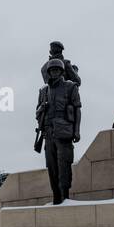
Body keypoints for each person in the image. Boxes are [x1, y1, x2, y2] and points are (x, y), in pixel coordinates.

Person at [36, 60, 81, 204]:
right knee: (52, 168)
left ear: (61, 72)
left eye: (57, 70)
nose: (54, 73)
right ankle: (56, 198)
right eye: (52, 71)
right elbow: (37, 113)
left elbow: (77, 109)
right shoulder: (43, 91)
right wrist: (41, 113)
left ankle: (65, 198)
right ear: (48, 73)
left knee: (64, 167)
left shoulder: (70, 87)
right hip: (48, 134)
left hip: (64, 133)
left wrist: (77, 131)